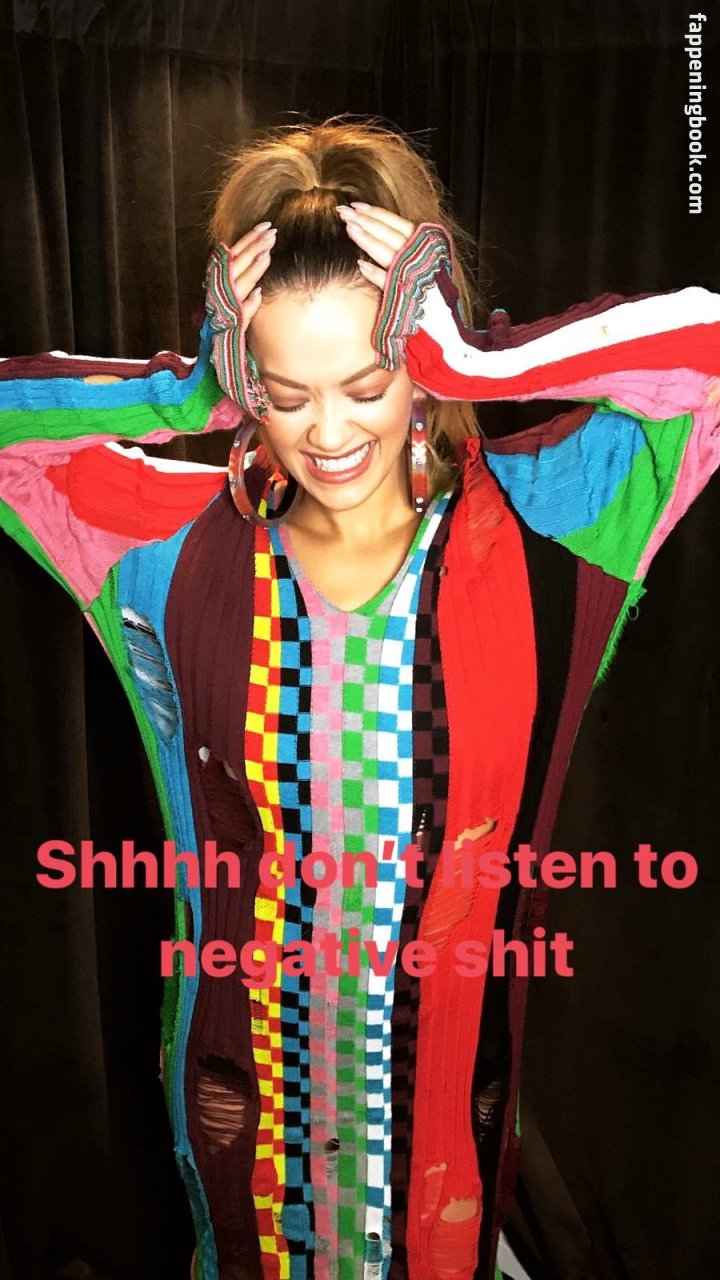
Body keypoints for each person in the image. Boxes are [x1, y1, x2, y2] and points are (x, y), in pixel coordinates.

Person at [1, 118, 719, 1280]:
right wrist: (187, 390)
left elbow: (709, 352)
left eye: (369, 382)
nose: (328, 433)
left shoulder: (557, 524)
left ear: (419, 364)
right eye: (283, 392)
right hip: (249, 1132)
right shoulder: (161, 551)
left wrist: (483, 363)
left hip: (447, 1140)